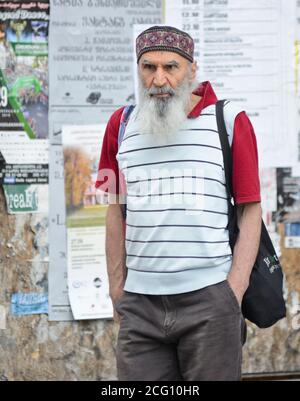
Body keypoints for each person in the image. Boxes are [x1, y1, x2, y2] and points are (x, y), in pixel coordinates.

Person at [96, 26, 262, 381]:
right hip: (139, 306)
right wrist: (116, 287)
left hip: (210, 302)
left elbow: (250, 208)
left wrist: (235, 288)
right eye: (148, 67)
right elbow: (114, 209)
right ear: (138, 70)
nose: (159, 79)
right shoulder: (121, 125)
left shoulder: (230, 122)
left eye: (171, 67)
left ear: (191, 69)